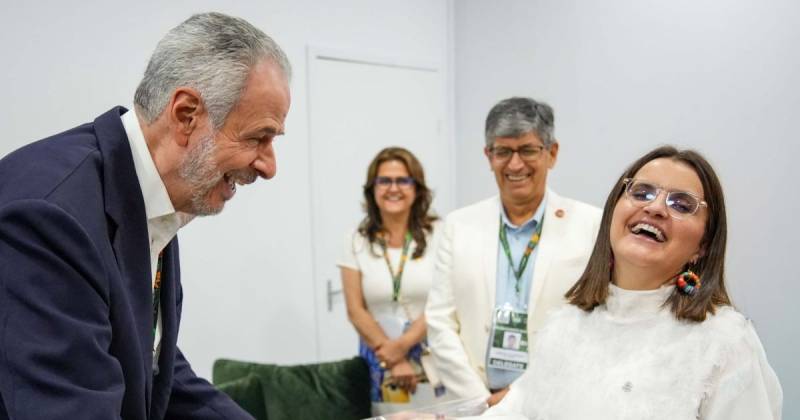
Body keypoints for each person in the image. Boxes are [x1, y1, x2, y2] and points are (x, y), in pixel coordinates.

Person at [0, 12, 291, 419]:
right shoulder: (50, 216)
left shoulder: (149, 197)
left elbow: (158, 368)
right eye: (258, 137)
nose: (269, 166)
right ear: (186, 115)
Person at [480, 146, 783, 419]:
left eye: (681, 204)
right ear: (613, 211)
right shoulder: (566, 325)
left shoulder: (724, 342)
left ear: (702, 246)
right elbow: (514, 413)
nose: (655, 208)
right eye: (641, 193)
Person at [425, 97, 602, 405]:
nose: (515, 164)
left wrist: (524, 396)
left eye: (528, 150)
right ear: (488, 155)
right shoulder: (458, 225)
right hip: (476, 403)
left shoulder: (591, 225)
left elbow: (598, 324)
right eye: (503, 151)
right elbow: (440, 321)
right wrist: (478, 400)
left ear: (552, 153)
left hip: (554, 402)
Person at [338, 147, 443, 414]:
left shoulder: (440, 234)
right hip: (380, 362)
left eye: (402, 180)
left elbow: (443, 300)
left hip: (433, 359)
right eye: (384, 180)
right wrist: (393, 358)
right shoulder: (356, 239)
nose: (393, 188)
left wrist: (402, 347)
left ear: (417, 188)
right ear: (372, 188)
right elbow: (355, 310)